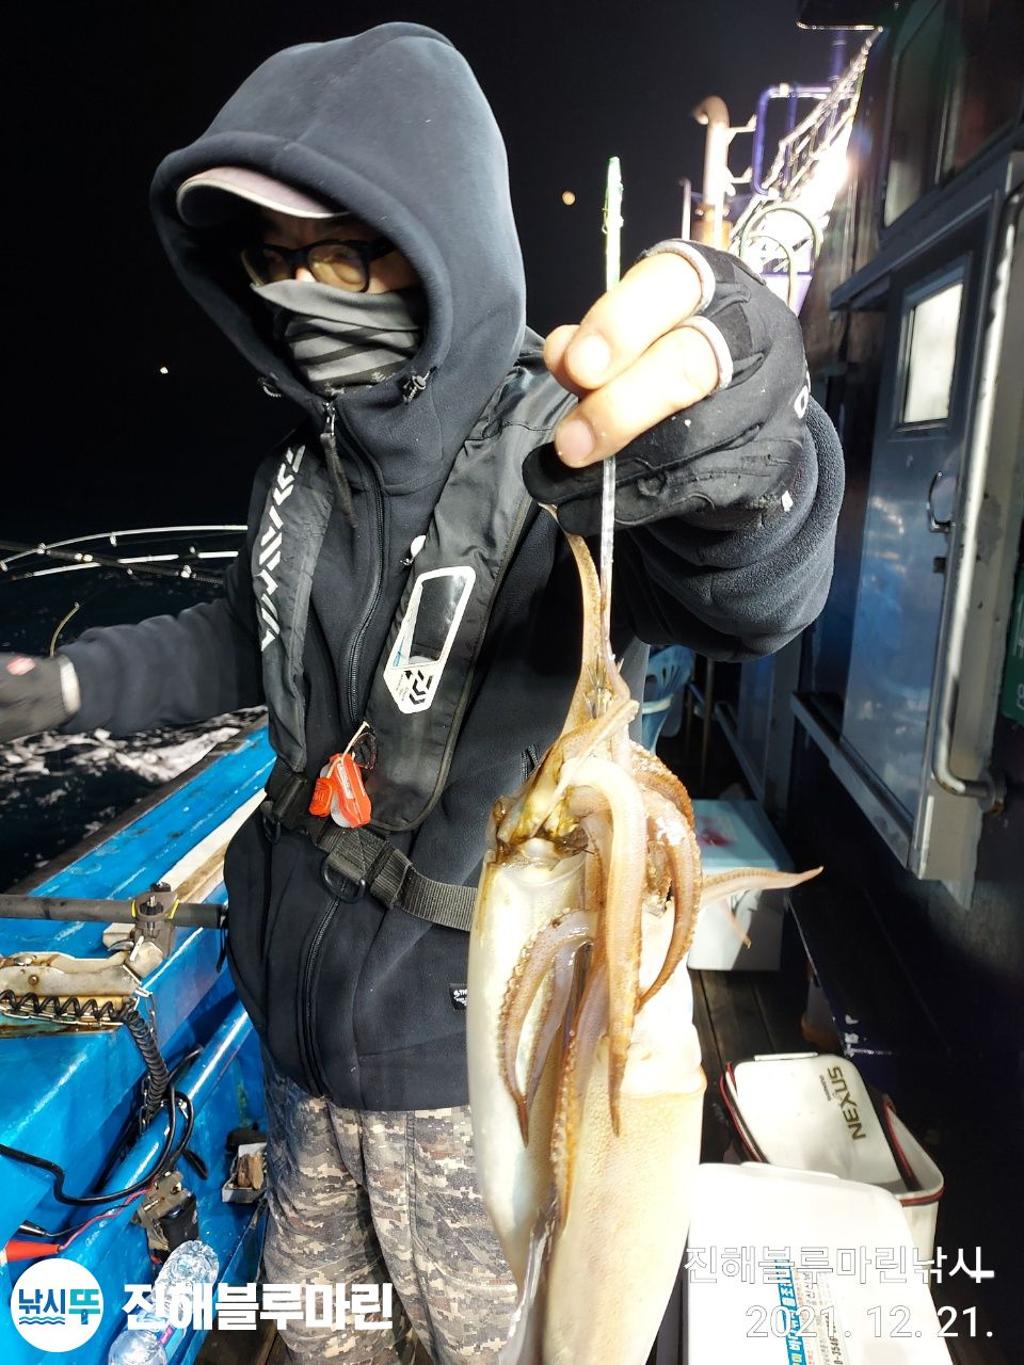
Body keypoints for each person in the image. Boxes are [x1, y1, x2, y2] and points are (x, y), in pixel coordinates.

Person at [0, 22, 844, 1364]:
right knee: (319, 1333)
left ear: (438, 240)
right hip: (295, 1057)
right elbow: (246, 636)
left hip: (480, 1073)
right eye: (274, 262)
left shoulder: (573, 458)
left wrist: (763, 462)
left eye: (346, 252)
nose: (305, 294)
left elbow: (750, 589)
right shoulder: (298, 475)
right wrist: (67, 683)